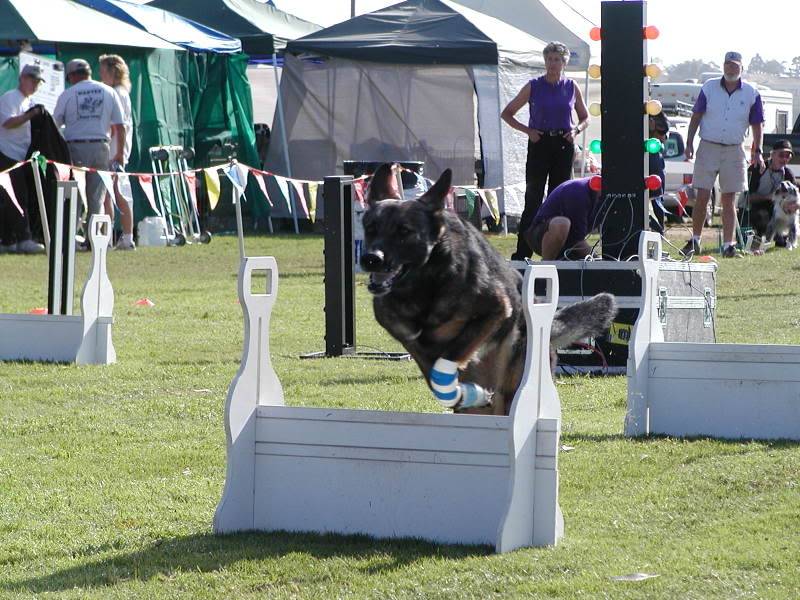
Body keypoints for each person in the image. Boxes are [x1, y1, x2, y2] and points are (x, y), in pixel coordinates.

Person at [501, 41, 589, 260]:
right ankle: (522, 253)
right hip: (540, 142)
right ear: (545, 61)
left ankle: (557, 252)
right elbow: (507, 113)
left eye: (557, 60)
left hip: (563, 143)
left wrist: (576, 129)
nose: (552, 64)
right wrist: (528, 131)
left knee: (559, 198)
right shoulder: (534, 85)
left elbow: (585, 117)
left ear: (564, 62)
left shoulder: (571, 86)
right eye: (549, 59)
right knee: (533, 198)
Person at [683, 51, 764, 258]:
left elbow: (757, 125)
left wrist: (758, 151)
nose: (731, 69)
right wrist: (690, 141)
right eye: (728, 65)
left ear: (742, 69)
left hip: (734, 148)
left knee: (729, 199)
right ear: (723, 66)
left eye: (735, 65)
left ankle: (729, 245)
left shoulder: (751, 92)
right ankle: (695, 241)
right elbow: (696, 116)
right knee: (702, 195)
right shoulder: (709, 87)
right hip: (708, 145)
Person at [53, 58, 124, 245]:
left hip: (75, 148)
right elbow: (120, 126)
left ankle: (69, 238)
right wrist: (120, 154)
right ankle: (93, 240)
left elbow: (55, 124)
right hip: (101, 147)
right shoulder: (108, 91)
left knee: (76, 196)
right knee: (96, 197)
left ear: (72, 76)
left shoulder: (68, 94)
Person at [0, 64, 46, 254]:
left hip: (21, 156)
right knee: (16, 198)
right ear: (22, 79)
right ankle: (22, 238)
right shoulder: (10, 97)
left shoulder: (30, 100)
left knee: (18, 198)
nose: (35, 85)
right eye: (32, 80)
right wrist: (30, 115)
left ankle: (12, 240)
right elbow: (7, 123)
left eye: (38, 82)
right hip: (7, 154)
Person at [99, 54, 135, 250]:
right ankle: (113, 237)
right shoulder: (118, 92)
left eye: (103, 70)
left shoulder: (118, 94)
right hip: (114, 150)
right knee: (110, 194)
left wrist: (118, 152)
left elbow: (118, 125)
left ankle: (126, 237)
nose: (100, 75)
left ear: (113, 71)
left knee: (116, 193)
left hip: (114, 151)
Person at [524, 177, 601, 260]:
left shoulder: (607, 198)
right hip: (540, 235)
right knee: (562, 223)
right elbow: (577, 240)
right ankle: (546, 266)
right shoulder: (578, 191)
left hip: (569, 242)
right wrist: (598, 262)